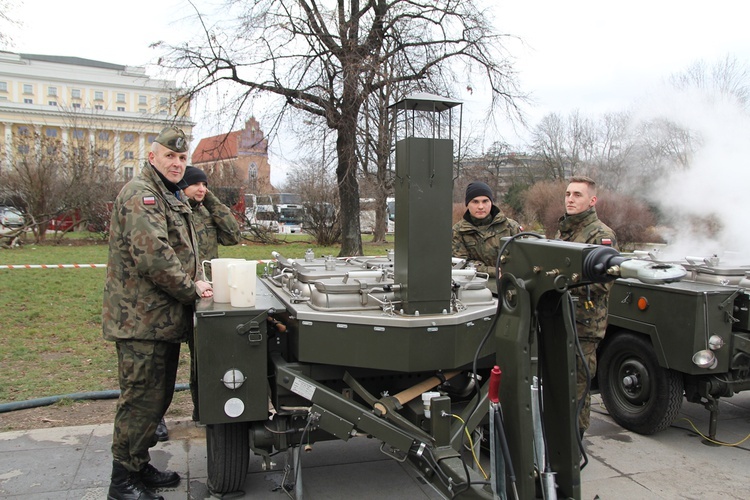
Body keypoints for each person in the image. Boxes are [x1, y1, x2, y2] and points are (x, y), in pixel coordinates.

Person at [102, 126, 213, 500]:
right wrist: (192, 289)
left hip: (159, 320)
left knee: (157, 399)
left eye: (183, 158)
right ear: (153, 157)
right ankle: (123, 482)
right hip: (141, 321)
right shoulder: (142, 194)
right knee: (140, 400)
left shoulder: (166, 193)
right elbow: (154, 258)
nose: (178, 163)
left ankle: (139, 465)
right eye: (171, 156)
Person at [177, 165, 241, 423]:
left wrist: (211, 199)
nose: (202, 188)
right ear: (182, 186)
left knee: (201, 357)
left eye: (205, 184)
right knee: (162, 363)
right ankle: (155, 419)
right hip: (174, 290)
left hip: (204, 294)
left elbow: (233, 235)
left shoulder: (206, 213)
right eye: (195, 184)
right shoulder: (174, 212)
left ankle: (202, 409)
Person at [555, 175, 617, 437]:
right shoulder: (564, 231)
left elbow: (603, 283)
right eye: (568, 194)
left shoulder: (600, 235)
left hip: (583, 327)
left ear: (592, 200)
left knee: (576, 388)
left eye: (577, 195)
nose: (570, 199)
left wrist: (560, 280)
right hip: (557, 319)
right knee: (557, 385)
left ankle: (574, 445)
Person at [452, 181, 522, 291]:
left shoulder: (510, 226)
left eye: (485, 201)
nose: (480, 206)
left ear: (491, 202)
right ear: (467, 204)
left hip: (510, 283)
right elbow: (460, 264)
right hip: (475, 286)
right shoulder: (458, 231)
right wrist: (494, 271)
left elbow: (523, 257)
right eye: (475, 202)